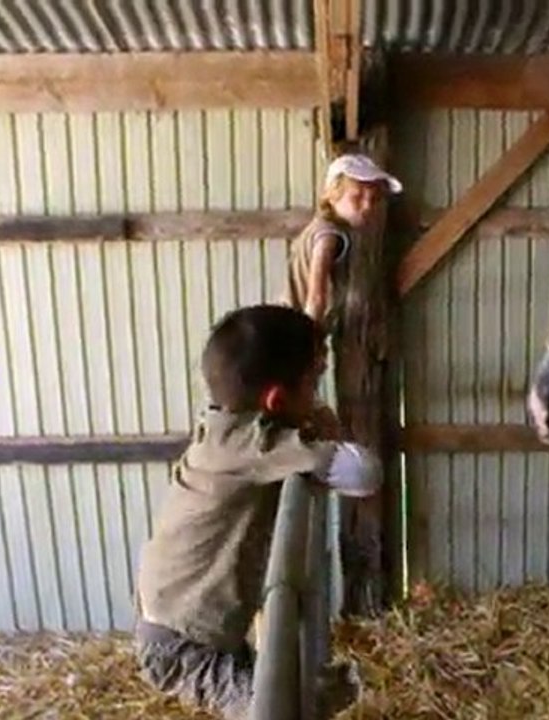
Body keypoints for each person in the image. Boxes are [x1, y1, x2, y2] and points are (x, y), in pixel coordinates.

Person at [133, 304, 381, 719]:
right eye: (314, 381)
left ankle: (314, 696)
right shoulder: (256, 445)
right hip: (181, 643)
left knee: (287, 696)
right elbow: (363, 472)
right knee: (269, 710)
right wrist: (320, 421)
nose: (319, 394)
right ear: (278, 399)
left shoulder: (225, 430)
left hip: (182, 623)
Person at [282, 152, 402, 330]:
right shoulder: (328, 236)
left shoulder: (319, 227)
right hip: (297, 327)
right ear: (332, 195)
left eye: (374, 199)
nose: (367, 206)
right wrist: (310, 338)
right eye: (357, 197)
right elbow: (316, 296)